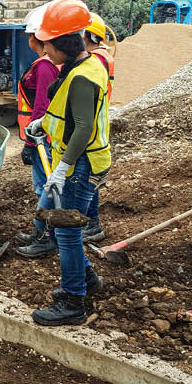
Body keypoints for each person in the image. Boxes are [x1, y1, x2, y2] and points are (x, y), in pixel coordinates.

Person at [22, 0, 110, 326]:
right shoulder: (77, 68)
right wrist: (43, 124)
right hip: (78, 162)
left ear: (64, 44)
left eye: (49, 46)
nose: (45, 52)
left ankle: (73, 302)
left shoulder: (83, 76)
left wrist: (61, 168)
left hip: (80, 164)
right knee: (65, 231)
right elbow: (68, 115)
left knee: (67, 233)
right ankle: (87, 280)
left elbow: (85, 127)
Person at [14, 6, 62, 254]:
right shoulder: (48, 63)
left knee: (46, 188)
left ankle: (46, 237)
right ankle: (40, 231)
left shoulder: (45, 66)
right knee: (45, 186)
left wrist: (31, 143)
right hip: (44, 136)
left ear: (36, 38)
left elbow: (42, 106)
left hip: (43, 138)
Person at [79, 13, 115, 243]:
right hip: (96, 121)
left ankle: (92, 225)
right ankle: (91, 224)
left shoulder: (96, 60)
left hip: (91, 128)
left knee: (89, 182)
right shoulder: (103, 56)